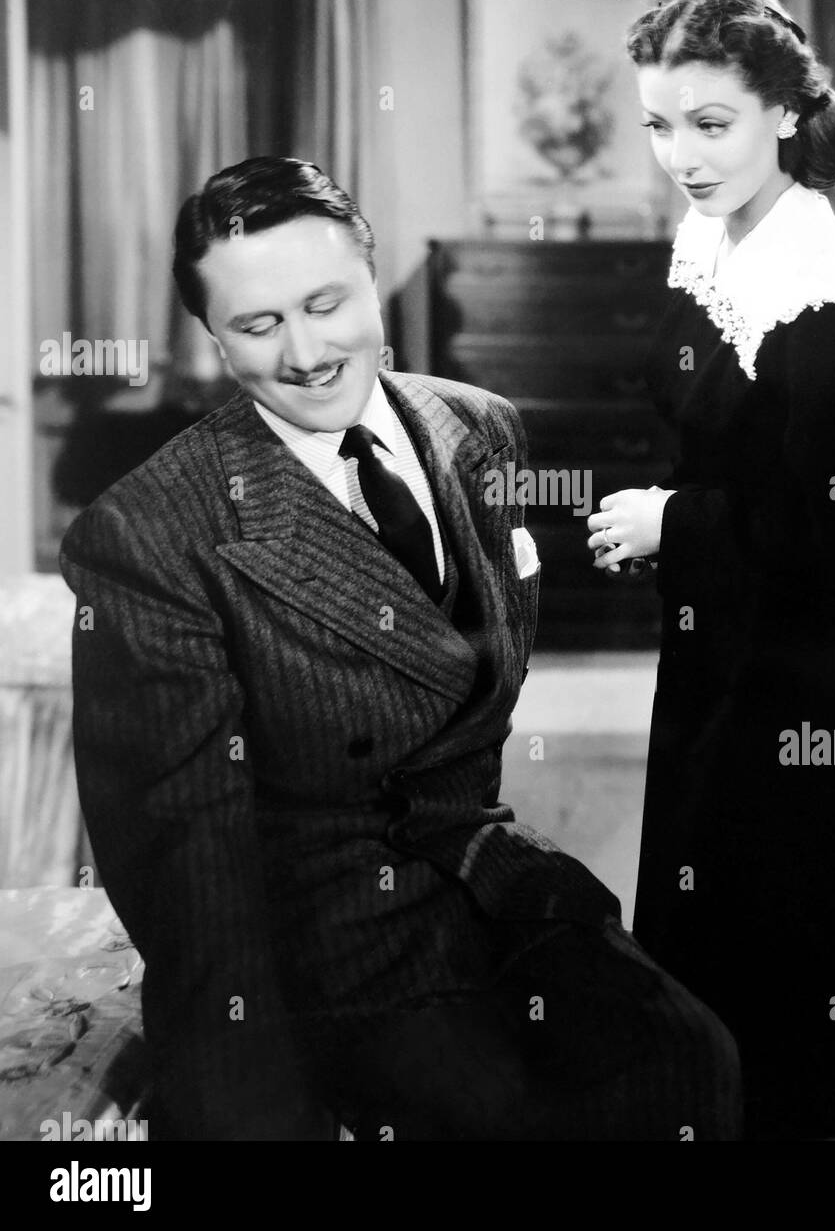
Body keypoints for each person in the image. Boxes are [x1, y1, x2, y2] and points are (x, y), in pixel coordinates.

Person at [59, 156, 740, 1141]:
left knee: (688, 1064)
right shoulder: (151, 532)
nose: (305, 351)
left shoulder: (480, 428)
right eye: (257, 324)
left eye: (326, 302)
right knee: (519, 1117)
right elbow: (188, 874)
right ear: (212, 337)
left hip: (494, 880)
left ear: (371, 275)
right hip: (330, 949)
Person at [586, 0, 835, 1141]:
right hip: (713, 655)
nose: (680, 154)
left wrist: (676, 523)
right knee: (696, 947)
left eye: (708, 123)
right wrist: (680, 521)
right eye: (659, 125)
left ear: (782, 109)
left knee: (771, 971)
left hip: (786, 690)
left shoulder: (822, 300)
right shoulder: (715, 233)